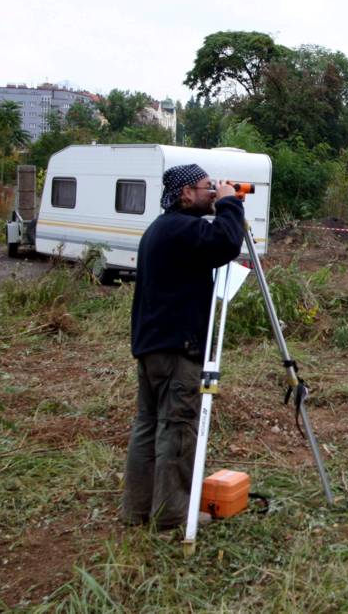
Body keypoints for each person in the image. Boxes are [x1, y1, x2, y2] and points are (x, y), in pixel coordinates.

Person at [122, 163, 245, 530]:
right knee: (177, 429)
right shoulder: (182, 228)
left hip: (152, 348)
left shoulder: (161, 229)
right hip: (177, 350)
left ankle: (138, 510)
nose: (212, 191)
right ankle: (174, 514)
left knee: (148, 426)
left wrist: (222, 202)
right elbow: (226, 242)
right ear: (185, 193)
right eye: (207, 187)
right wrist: (230, 204)